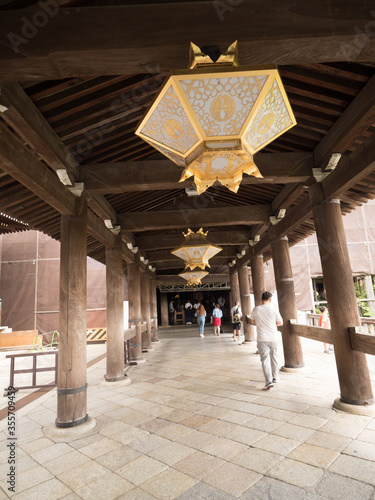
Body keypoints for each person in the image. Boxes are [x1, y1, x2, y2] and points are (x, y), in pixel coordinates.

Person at [250, 291, 283, 391]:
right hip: (274, 337)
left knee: (265, 359)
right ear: (270, 300)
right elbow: (280, 323)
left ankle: (268, 380)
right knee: (274, 357)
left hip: (262, 338)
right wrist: (272, 324)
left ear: (261, 299)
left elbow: (252, 321)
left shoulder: (256, 309)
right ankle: (276, 377)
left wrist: (261, 323)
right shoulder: (274, 309)